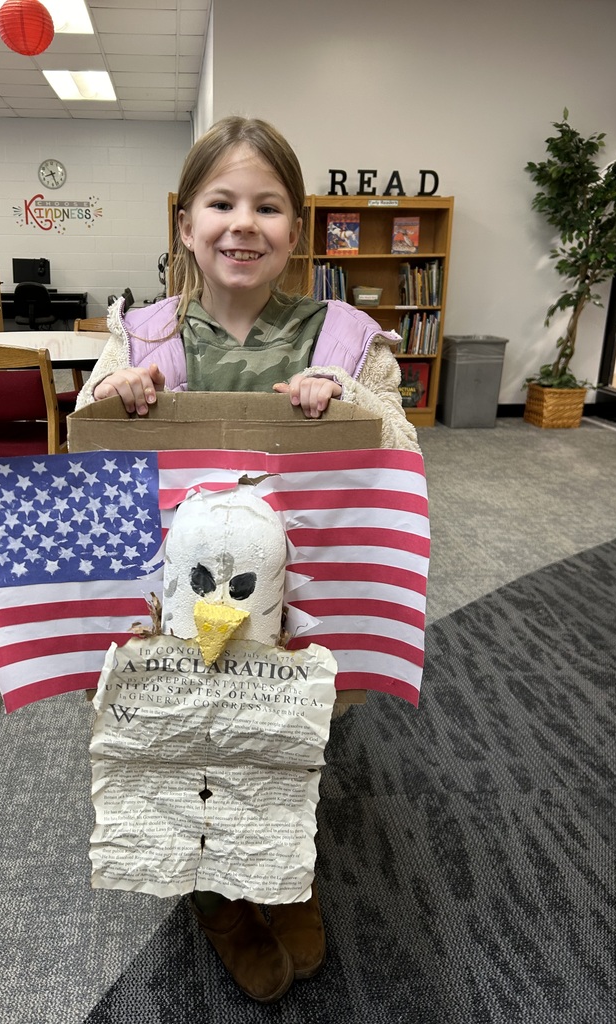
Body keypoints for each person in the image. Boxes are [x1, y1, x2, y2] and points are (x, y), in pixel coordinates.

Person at [77, 116, 420, 1003]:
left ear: (295, 230)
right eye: (221, 203)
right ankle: (218, 902)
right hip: (178, 602)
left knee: (278, 737)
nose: (243, 224)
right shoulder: (143, 335)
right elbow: (87, 451)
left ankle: (283, 874)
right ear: (185, 224)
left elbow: (401, 453)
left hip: (291, 604)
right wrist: (112, 397)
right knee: (189, 740)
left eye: (267, 207)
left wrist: (348, 401)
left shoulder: (344, 336)